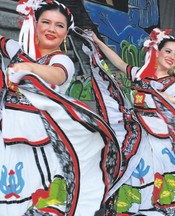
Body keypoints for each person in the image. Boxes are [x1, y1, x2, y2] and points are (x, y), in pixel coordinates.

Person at [0, 0, 121, 215]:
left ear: (66, 33)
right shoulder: (18, 51)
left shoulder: (61, 60)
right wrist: (23, 63)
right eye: (46, 22)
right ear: (33, 24)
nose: (51, 29)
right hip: (7, 136)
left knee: (37, 201)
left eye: (59, 25)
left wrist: (28, 68)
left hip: (41, 141)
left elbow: (58, 74)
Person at [83, 27, 175, 215]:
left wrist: (171, 99)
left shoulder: (174, 83)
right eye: (168, 51)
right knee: (131, 177)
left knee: (158, 184)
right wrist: (97, 41)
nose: (172, 57)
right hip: (136, 136)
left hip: (159, 142)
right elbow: (119, 62)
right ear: (156, 50)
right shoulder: (140, 74)